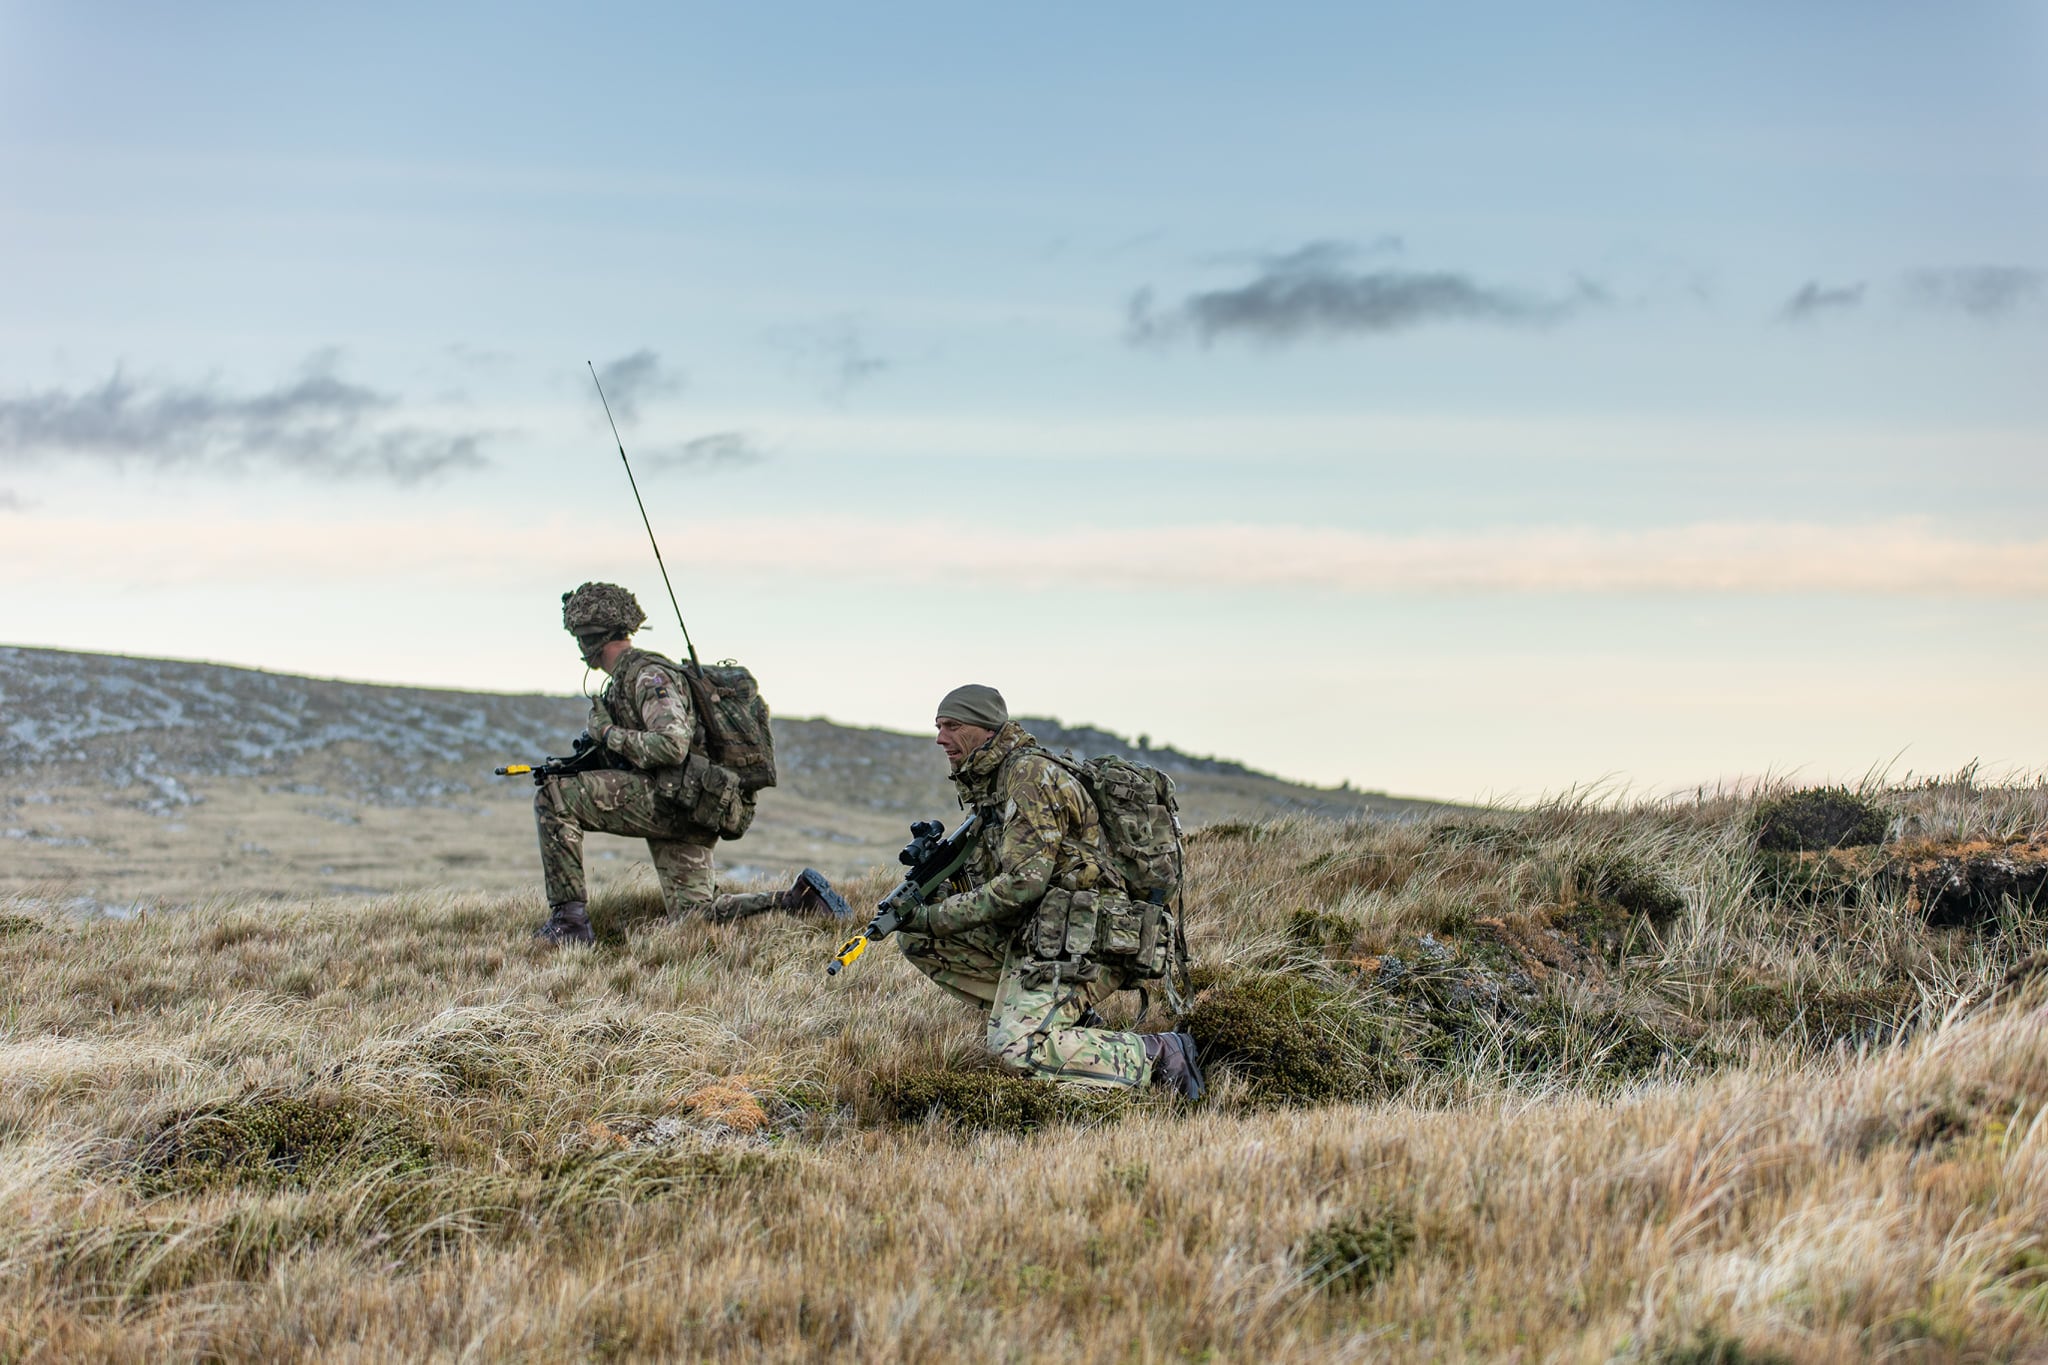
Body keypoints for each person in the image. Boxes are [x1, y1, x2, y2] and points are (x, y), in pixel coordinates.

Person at [890, 683, 1203, 1098]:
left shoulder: (1028, 777)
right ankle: (1062, 1023)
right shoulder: (993, 784)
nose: (940, 738)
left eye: (951, 726)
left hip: (1089, 940)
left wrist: (934, 915)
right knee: (918, 938)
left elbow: (1021, 886)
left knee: (1016, 1051)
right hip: (1045, 933)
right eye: (938, 726)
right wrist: (933, 905)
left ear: (983, 728)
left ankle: (1160, 1054)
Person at [530, 581, 847, 944]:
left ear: (589, 639)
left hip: (673, 800)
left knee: (555, 797)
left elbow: (671, 745)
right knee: (695, 916)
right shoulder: (633, 679)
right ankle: (798, 902)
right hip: (691, 804)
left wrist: (606, 733)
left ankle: (569, 925)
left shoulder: (648, 676)